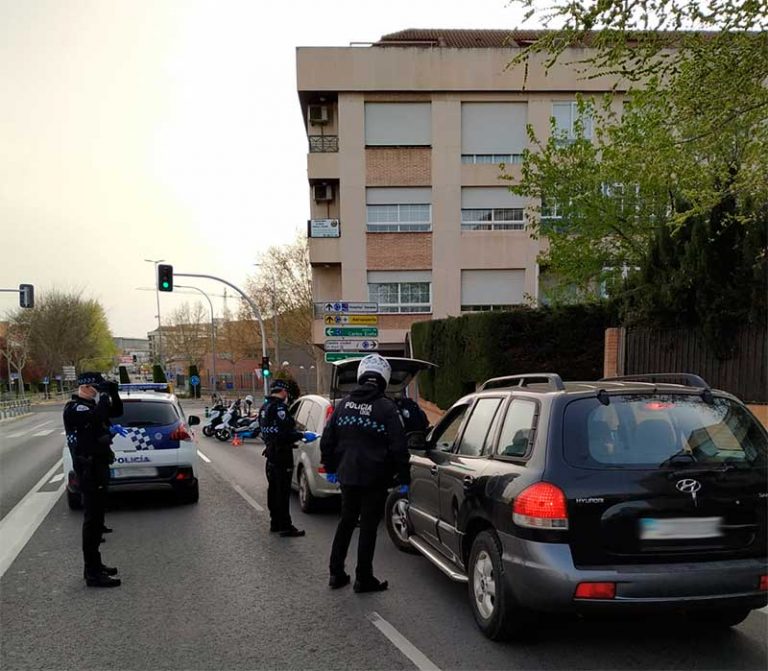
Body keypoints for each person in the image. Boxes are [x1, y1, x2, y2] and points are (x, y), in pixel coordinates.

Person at [321, 354, 409, 593]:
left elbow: (327, 440)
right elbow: (399, 447)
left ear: (361, 375)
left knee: (346, 522)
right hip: (375, 478)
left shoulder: (343, 405)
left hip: (347, 475)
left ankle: (336, 573)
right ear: (384, 379)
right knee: (368, 527)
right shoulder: (386, 408)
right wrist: (403, 478)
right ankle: (363, 578)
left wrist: (330, 468)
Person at [62, 372, 123, 587]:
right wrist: (104, 396)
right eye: (97, 388)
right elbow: (97, 416)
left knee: (98, 521)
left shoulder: (91, 407)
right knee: (92, 520)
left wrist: (113, 393)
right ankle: (92, 573)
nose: (99, 392)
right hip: (88, 470)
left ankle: (96, 565)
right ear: (87, 387)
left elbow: (116, 411)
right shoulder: (75, 408)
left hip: (99, 466)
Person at [258, 379, 313, 537]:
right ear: (283, 392)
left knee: (274, 490)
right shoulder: (280, 408)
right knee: (282, 492)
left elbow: (265, 430)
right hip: (282, 454)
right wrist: (302, 435)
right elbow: (285, 434)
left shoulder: (264, 407)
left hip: (271, 453)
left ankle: (275, 522)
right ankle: (285, 526)